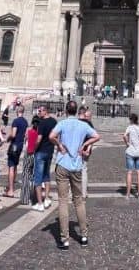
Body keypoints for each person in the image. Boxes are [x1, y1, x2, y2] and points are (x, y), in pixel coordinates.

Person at [49, 100, 100, 250]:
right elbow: (97, 136)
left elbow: (51, 136)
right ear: (77, 111)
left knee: (63, 201)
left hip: (63, 165)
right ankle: (84, 236)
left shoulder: (62, 123)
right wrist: (84, 145)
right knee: (79, 201)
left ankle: (64, 239)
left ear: (66, 111)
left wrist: (59, 145)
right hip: (77, 166)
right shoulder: (83, 125)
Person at [32, 105, 58, 211]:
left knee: (38, 178)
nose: (39, 113)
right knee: (46, 176)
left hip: (41, 151)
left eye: (40, 111)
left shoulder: (42, 123)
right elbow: (56, 136)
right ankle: (46, 198)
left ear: (45, 111)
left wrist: (34, 148)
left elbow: (39, 139)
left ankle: (40, 203)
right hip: (50, 151)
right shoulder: (54, 122)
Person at [5, 105, 28, 197]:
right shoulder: (25, 121)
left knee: (11, 166)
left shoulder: (16, 121)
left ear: (17, 111)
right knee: (15, 166)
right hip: (20, 145)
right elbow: (25, 135)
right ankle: (11, 186)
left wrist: (8, 138)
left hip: (14, 145)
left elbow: (13, 134)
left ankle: (10, 190)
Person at [20, 116, 40, 205]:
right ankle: (34, 197)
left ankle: (25, 198)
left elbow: (25, 141)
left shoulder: (29, 131)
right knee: (33, 176)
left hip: (28, 154)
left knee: (25, 175)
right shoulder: (39, 133)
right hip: (35, 155)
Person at [78, 107, 94, 198]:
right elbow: (93, 137)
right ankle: (84, 193)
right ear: (84, 114)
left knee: (74, 171)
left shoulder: (75, 122)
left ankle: (73, 193)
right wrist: (88, 149)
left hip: (76, 150)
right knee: (84, 170)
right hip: (85, 150)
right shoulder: (89, 123)